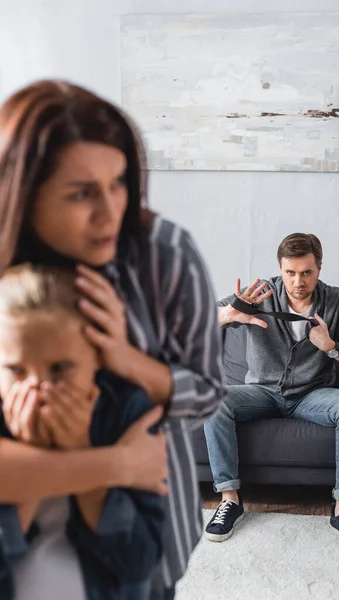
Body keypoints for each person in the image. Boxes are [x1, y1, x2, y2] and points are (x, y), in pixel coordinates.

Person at [0, 80, 225, 599]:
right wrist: (110, 463)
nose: (110, 213)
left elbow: (211, 393)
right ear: (23, 191)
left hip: (134, 539)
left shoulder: (163, 255)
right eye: (81, 193)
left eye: (119, 183)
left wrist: (128, 360)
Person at [204, 233, 339, 555]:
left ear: (320, 268)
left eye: (307, 272)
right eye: (290, 273)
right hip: (261, 391)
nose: (298, 281)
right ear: (280, 270)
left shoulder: (335, 301)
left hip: (313, 396)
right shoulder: (260, 294)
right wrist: (229, 314)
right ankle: (229, 501)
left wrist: (332, 347)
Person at [0, 263, 165, 600]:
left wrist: (79, 445)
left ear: (97, 360)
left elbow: (139, 562)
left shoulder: (128, 412)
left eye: (59, 368)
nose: (39, 389)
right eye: (16, 370)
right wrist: (36, 458)